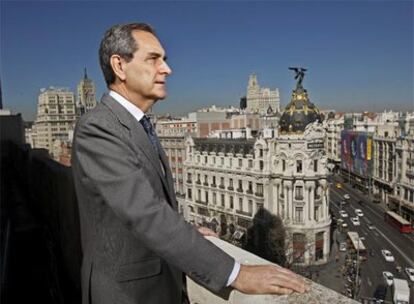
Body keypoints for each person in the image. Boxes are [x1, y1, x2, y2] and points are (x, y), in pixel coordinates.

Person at [72, 22, 310, 304]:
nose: (166, 69)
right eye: (153, 59)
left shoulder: (138, 124)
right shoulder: (98, 127)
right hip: (127, 294)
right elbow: (145, 213)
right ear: (119, 66)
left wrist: (186, 231)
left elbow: (146, 203)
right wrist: (236, 274)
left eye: (165, 60)